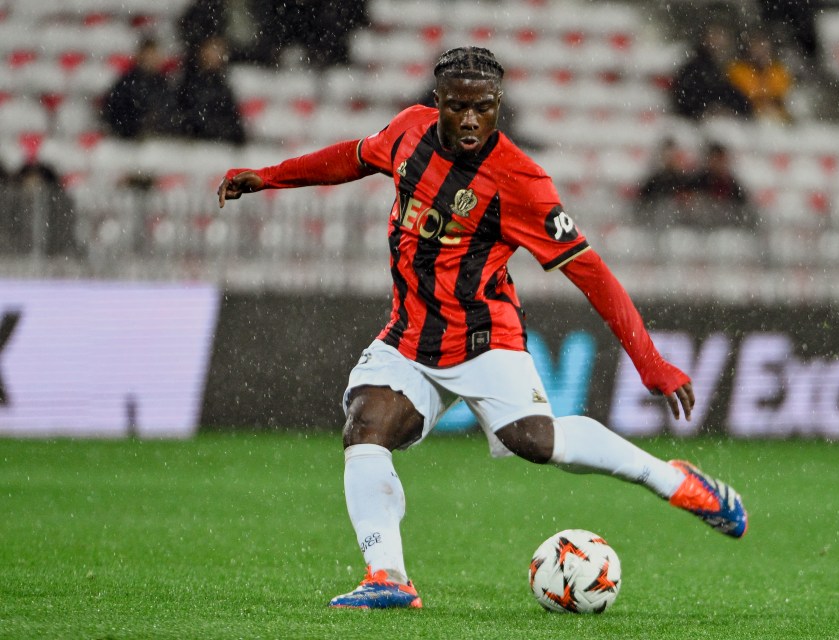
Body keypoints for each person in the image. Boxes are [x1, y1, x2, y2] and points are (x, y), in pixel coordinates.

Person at [217, 47, 747, 610]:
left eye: (484, 107)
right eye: (457, 107)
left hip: (482, 337)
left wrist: (650, 361)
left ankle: (672, 480)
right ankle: (388, 577)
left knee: (537, 443)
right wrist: (269, 178)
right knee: (365, 427)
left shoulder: (521, 180)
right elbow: (351, 156)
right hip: (410, 335)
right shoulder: (406, 133)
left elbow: (591, 273)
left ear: (500, 107)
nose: (470, 119)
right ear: (436, 104)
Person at [673, 23, 752, 121]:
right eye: (714, 36)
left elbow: (737, 98)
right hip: (697, 122)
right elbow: (686, 100)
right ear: (704, 39)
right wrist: (708, 109)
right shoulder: (695, 68)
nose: (718, 42)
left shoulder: (725, 67)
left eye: (721, 36)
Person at [101, 37, 177, 139]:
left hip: (159, 142)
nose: (150, 59)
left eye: (153, 55)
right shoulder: (126, 83)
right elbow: (115, 113)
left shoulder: (165, 84)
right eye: (148, 55)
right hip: (130, 142)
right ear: (139, 55)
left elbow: (171, 113)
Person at [176, 35, 246, 144]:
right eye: (212, 50)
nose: (216, 56)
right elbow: (188, 116)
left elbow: (233, 121)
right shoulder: (189, 82)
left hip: (219, 145)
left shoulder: (224, 85)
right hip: (195, 144)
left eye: (219, 51)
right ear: (202, 52)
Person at [727, 31, 794, 123]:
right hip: (746, 121)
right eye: (757, 49)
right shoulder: (738, 71)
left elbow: (785, 99)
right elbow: (739, 100)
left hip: (779, 122)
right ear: (748, 50)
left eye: (764, 49)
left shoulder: (779, 72)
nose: (761, 53)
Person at [633, 138, 698, 227]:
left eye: (673, 155)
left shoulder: (687, 181)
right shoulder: (655, 181)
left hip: (683, 227)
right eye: (667, 154)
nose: (670, 158)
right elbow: (643, 205)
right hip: (659, 226)